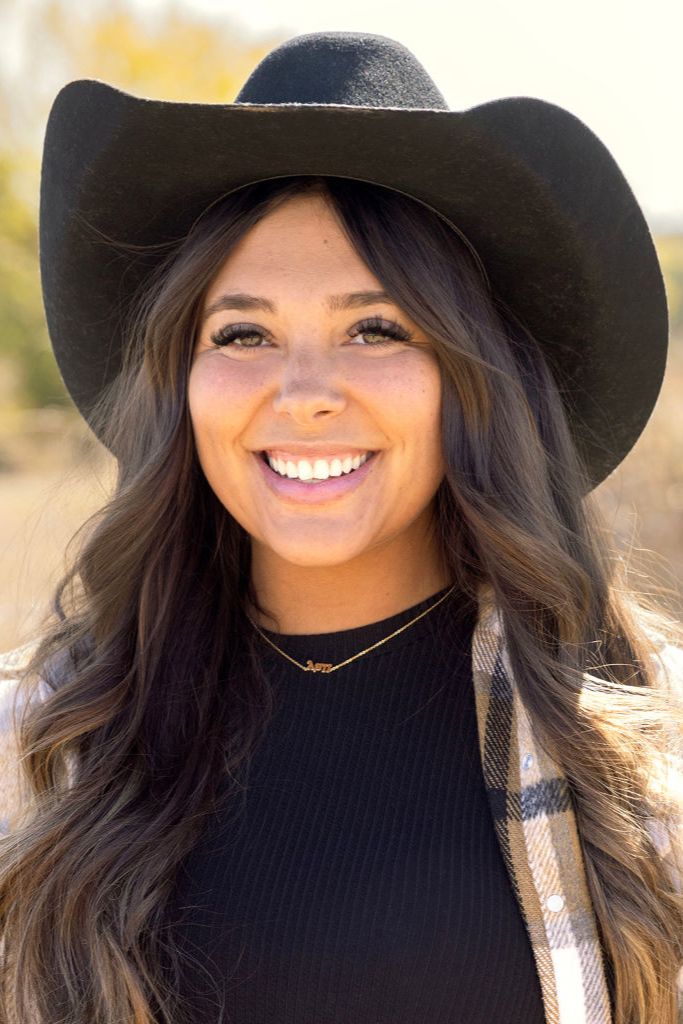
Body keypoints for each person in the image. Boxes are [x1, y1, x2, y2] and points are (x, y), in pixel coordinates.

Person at [0, 30, 681, 1024]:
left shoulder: (641, 739)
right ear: (180, 382)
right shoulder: (44, 745)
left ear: (472, 378)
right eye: (243, 333)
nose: (304, 392)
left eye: (375, 329)